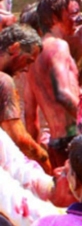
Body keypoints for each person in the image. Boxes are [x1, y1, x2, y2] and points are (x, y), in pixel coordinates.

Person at [24, 0, 81, 166]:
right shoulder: (58, 46)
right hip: (74, 140)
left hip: (56, 146)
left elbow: (30, 114)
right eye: (73, 14)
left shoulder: (33, 55)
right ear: (55, 17)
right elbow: (63, 93)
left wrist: (35, 156)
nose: (78, 19)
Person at [0, 25, 47, 171]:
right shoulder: (3, 81)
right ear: (14, 48)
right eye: (28, 61)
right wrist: (44, 160)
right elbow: (19, 138)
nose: (26, 69)